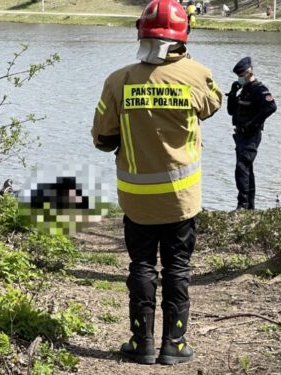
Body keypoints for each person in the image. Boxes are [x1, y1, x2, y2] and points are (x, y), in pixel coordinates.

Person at [92, 0, 222, 365]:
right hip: (181, 199)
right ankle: (174, 345)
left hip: (137, 201)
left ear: (141, 33)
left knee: (142, 267)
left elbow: (102, 139)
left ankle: (142, 343)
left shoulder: (118, 81)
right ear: (183, 37)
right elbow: (213, 105)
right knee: (178, 268)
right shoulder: (197, 74)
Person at [227, 56, 277, 210]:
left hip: (251, 135)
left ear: (249, 73)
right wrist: (233, 93)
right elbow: (231, 112)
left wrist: (252, 124)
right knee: (246, 169)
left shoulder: (259, 89)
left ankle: (243, 205)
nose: (239, 79)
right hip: (241, 135)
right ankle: (249, 206)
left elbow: (271, 107)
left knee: (241, 168)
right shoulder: (244, 90)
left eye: (241, 76)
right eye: (238, 76)